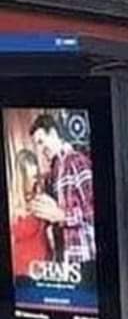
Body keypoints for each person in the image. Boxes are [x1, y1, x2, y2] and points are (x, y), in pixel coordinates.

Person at [29, 113, 95, 267]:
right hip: (64, 262)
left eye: (41, 142)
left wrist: (63, 215)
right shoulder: (53, 173)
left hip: (84, 260)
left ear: (53, 133)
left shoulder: (76, 161)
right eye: (37, 145)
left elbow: (94, 212)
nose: (40, 150)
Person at [10, 148, 53, 278]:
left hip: (44, 265)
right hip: (23, 269)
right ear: (22, 178)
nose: (35, 181)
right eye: (32, 177)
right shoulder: (13, 203)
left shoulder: (40, 197)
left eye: (36, 176)